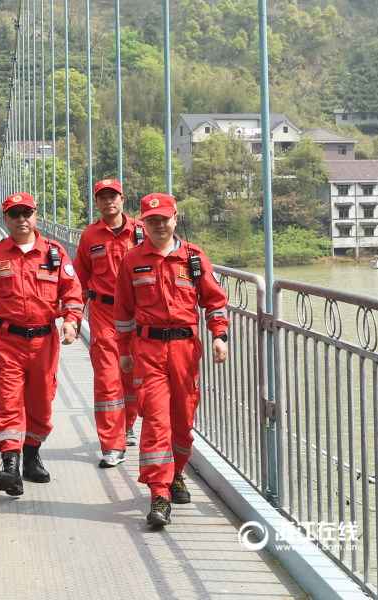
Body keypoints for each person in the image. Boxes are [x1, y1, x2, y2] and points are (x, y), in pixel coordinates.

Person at [114, 192, 229, 526]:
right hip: (148, 351)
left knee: (182, 421)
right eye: (152, 221)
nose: (159, 225)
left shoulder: (193, 258)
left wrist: (219, 335)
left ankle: (177, 472)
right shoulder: (132, 261)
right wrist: (123, 351)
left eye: (164, 219)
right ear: (143, 224)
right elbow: (122, 312)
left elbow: (214, 300)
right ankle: (159, 493)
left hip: (185, 351)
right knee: (156, 422)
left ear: (175, 218)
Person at [0, 192, 84, 496]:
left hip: (45, 341)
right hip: (7, 340)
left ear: (35, 216)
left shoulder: (55, 253)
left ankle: (32, 454)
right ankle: (10, 464)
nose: (22, 219)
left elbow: (72, 292)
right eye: (15, 214)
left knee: (41, 403)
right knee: (7, 401)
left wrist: (71, 319)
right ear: (4, 219)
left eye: (27, 213)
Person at [74, 179, 145, 468]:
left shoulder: (142, 231)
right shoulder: (90, 236)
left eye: (112, 196)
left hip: (140, 316)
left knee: (133, 378)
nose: (108, 202)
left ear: (122, 199)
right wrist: (75, 316)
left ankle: (127, 424)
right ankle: (112, 445)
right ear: (97, 202)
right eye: (102, 197)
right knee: (107, 380)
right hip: (104, 314)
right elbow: (78, 280)